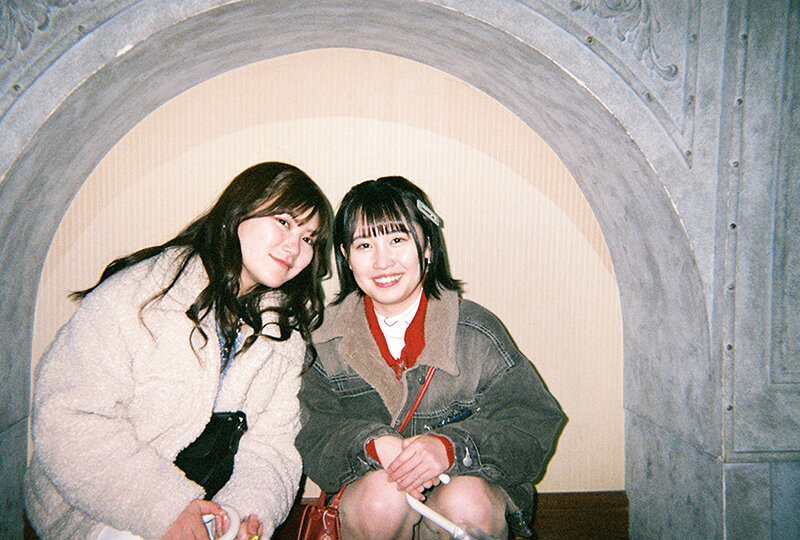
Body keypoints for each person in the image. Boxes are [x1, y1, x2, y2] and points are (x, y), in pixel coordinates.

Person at [25, 162, 332, 540]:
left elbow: (274, 446)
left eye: (309, 238)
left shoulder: (284, 337)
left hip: (209, 513)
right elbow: (67, 419)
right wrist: (167, 508)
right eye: (283, 221)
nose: (295, 247)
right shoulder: (141, 295)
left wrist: (246, 513)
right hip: (98, 508)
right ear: (237, 213)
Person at [296, 176, 567, 539]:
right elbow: (313, 433)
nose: (382, 261)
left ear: (426, 246)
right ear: (345, 256)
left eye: (397, 240)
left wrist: (451, 448)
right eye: (364, 245)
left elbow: (532, 422)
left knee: (467, 502)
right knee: (382, 497)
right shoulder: (323, 338)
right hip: (370, 500)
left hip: (464, 485)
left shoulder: (476, 331)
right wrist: (371, 445)